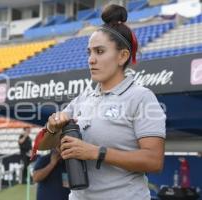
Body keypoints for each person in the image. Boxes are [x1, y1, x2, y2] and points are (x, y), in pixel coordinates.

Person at [36, 4, 166, 200]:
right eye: (89, 52)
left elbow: (154, 161)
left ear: (122, 56)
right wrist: (53, 128)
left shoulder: (141, 97)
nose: (91, 59)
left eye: (99, 51)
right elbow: (45, 145)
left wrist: (97, 152)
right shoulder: (84, 97)